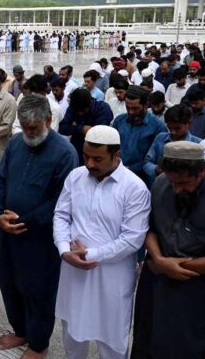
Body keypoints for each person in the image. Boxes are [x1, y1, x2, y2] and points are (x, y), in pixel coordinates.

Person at [131, 141, 205, 359]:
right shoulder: (162, 183)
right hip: (155, 281)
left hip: (196, 288)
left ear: (201, 172)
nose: (176, 189)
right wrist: (160, 261)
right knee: (146, 340)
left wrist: (170, 266)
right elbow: (151, 228)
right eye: (173, 182)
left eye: (183, 183)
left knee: (185, 347)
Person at [0, 95, 78, 358]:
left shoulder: (65, 153)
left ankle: (39, 345)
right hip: (6, 233)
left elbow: (60, 202)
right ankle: (21, 331)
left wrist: (22, 221)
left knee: (37, 291)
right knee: (9, 283)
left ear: (48, 121)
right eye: (25, 127)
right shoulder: (16, 142)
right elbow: (1, 179)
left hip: (38, 239)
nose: (29, 133)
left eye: (35, 127)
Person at [54, 126, 151, 359]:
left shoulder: (135, 188)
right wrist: (64, 249)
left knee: (112, 338)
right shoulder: (76, 176)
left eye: (98, 159)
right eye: (86, 156)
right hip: (72, 270)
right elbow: (61, 215)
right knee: (73, 332)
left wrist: (88, 254)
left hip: (112, 277)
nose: (89, 164)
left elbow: (132, 239)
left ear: (116, 155)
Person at [112, 86, 167, 181]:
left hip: (143, 179)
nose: (131, 112)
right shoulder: (119, 121)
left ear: (146, 105)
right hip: (117, 175)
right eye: (128, 107)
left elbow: (155, 159)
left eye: (135, 108)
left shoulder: (158, 127)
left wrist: (130, 169)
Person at [143, 104, 202, 185]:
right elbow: (147, 162)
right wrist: (156, 169)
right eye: (170, 128)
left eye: (177, 128)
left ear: (188, 124)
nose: (173, 132)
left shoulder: (198, 145)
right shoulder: (160, 138)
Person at [58, 88, 113, 165]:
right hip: (77, 152)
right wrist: (80, 128)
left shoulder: (103, 109)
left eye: (83, 111)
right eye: (78, 111)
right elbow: (62, 128)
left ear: (90, 103)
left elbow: (97, 134)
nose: (80, 114)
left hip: (96, 153)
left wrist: (75, 125)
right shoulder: (73, 107)